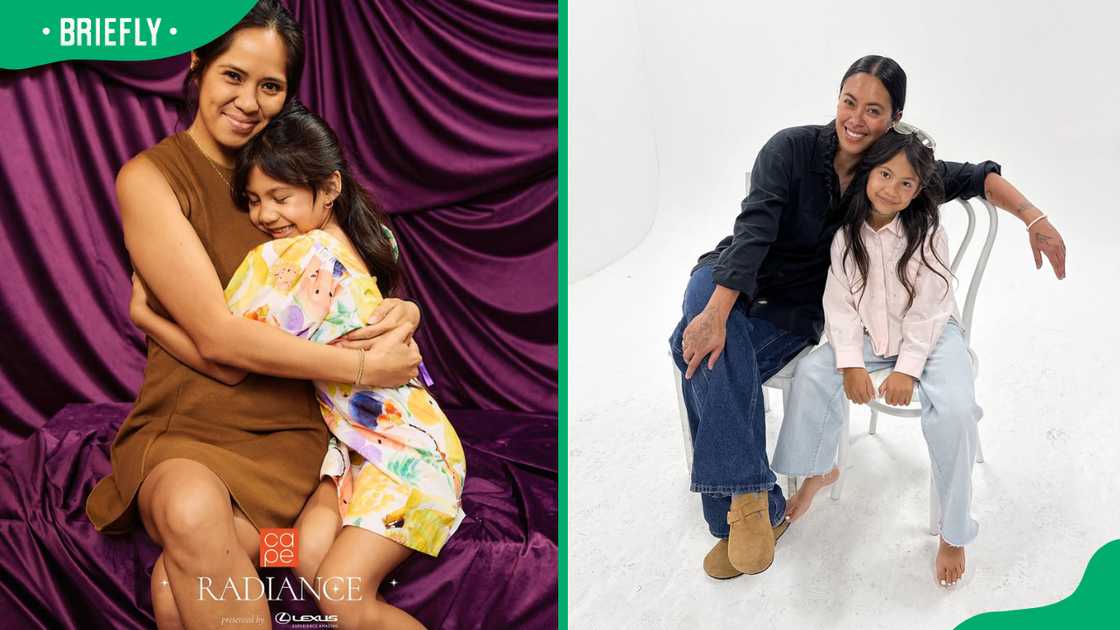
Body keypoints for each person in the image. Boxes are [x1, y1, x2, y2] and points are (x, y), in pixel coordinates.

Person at [84, 2, 423, 627]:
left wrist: (402, 313)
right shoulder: (152, 178)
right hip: (190, 429)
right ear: (196, 66)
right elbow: (223, 345)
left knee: (174, 581)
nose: (249, 100)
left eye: (271, 86)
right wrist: (363, 366)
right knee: (189, 514)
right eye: (233, 76)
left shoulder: (284, 172)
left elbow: (353, 278)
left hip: (303, 443)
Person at [668, 54, 1067, 580]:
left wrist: (1034, 218)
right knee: (703, 330)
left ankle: (740, 514)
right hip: (730, 277)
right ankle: (752, 501)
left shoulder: (890, 173)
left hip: (793, 310)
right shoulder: (789, 148)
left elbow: (977, 178)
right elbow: (753, 233)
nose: (856, 118)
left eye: (873, 109)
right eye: (848, 102)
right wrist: (718, 311)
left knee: (692, 353)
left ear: (894, 119)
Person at [130, 100, 466, 628]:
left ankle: (196, 561)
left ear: (329, 189)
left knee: (342, 596)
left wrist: (147, 317)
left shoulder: (296, 260)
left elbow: (223, 346)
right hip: (349, 455)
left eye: (280, 197)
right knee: (298, 557)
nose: (264, 216)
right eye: (253, 200)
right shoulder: (372, 236)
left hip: (405, 459)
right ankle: (198, 560)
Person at [771, 129, 979, 588]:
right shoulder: (847, 237)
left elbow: (930, 307)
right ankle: (819, 468)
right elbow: (839, 305)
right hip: (869, 337)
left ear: (919, 189)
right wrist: (849, 362)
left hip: (932, 339)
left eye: (907, 183)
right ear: (869, 172)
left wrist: (907, 369)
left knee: (957, 410)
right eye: (885, 174)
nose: (892, 188)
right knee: (811, 370)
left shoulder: (927, 233)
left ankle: (955, 530)